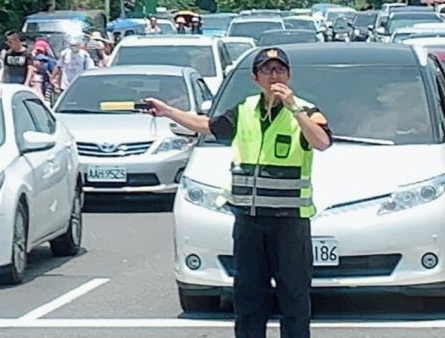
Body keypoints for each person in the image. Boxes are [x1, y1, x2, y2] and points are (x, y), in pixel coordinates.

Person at [140, 48, 332, 338]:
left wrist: (293, 107)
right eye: (267, 70)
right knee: (248, 299)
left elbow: (321, 142)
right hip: (249, 222)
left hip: (289, 222)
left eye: (279, 70)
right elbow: (208, 126)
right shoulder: (244, 110)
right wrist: (168, 111)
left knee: (294, 299)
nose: (274, 76)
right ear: (256, 78)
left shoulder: (306, 110)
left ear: (289, 75)